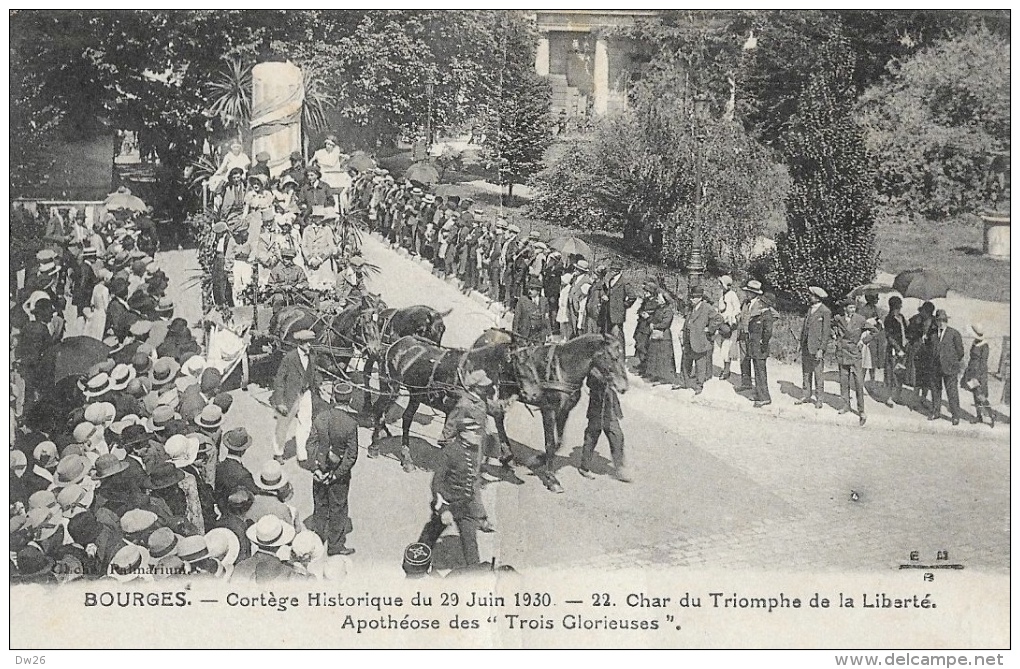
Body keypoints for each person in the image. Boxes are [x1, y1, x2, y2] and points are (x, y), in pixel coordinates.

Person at [416, 370, 494, 568]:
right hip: (449, 502)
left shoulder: (480, 403)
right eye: (484, 386)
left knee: (470, 543)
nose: (488, 388)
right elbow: (452, 425)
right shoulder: (464, 405)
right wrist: (443, 509)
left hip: (466, 502)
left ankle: (474, 572)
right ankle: (416, 562)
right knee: (430, 534)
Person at [306, 381, 359, 556]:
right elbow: (351, 456)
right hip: (338, 477)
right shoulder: (351, 424)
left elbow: (310, 444)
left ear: (333, 398)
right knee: (338, 508)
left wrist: (316, 468)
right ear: (349, 400)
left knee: (320, 505)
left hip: (319, 472)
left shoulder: (320, 417)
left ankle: (317, 542)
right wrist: (335, 475)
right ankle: (335, 547)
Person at [271, 330, 320, 463]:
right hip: (290, 395)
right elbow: (279, 380)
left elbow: (313, 372)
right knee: (283, 424)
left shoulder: (312, 356)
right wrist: (279, 402)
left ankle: (301, 453)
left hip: (306, 393)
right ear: (300, 343)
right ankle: (278, 452)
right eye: (307, 342)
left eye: (311, 342)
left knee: (306, 423)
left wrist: (316, 384)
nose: (310, 345)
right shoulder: (289, 358)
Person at [578, 365, 629, 483]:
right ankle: (584, 467)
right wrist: (605, 378)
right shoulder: (594, 366)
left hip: (610, 406)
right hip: (597, 405)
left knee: (617, 436)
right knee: (591, 437)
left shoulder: (611, 363)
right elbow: (589, 383)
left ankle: (619, 468)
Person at [833, 299, 872, 426]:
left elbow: (875, 330)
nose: (852, 310)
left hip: (855, 354)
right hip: (843, 352)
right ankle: (845, 405)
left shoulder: (860, 319)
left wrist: (863, 341)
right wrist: (835, 337)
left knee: (858, 382)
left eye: (854, 308)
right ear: (845, 309)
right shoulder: (839, 318)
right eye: (850, 308)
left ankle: (861, 411)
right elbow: (829, 325)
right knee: (844, 380)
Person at [678, 284, 722, 393]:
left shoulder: (707, 308)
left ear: (700, 298)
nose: (692, 299)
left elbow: (719, 319)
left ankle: (699, 385)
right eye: (691, 297)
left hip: (700, 339)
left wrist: (709, 329)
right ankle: (684, 382)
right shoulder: (690, 307)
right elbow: (687, 320)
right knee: (685, 361)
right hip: (688, 338)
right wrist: (683, 330)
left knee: (700, 363)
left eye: (694, 297)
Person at [796, 286, 831, 409]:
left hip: (816, 348)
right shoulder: (810, 309)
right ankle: (806, 395)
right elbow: (805, 328)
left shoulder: (825, 311)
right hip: (806, 346)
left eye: (811, 295)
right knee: (806, 372)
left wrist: (821, 349)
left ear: (817, 297)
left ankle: (819, 398)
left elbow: (826, 333)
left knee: (818, 373)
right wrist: (800, 344)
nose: (809, 297)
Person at [929, 309, 964, 425]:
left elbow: (960, 352)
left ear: (946, 321)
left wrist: (952, 362)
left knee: (952, 392)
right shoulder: (933, 334)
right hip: (935, 367)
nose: (941, 323)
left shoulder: (954, 333)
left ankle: (955, 416)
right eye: (938, 320)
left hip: (950, 368)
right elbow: (930, 348)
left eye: (943, 320)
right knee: (935, 390)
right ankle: (936, 412)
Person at [746, 288, 775, 408]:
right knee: (757, 372)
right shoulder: (761, 314)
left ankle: (765, 397)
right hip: (755, 347)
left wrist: (763, 345)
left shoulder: (767, 315)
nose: (760, 303)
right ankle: (759, 394)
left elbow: (767, 332)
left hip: (760, 348)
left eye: (762, 302)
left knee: (761, 373)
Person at [642, 285, 677, 385]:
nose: (657, 299)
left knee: (664, 358)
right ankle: (655, 375)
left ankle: (665, 377)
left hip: (664, 336)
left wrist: (655, 325)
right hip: (656, 334)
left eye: (659, 298)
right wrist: (649, 318)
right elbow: (653, 319)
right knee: (654, 356)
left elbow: (666, 323)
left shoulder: (668, 310)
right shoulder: (659, 308)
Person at [962, 323, 993, 428]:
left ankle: (990, 414)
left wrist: (978, 377)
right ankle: (978, 415)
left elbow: (983, 363)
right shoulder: (975, 342)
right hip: (971, 371)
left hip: (979, 373)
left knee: (980, 395)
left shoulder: (984, 346)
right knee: (975, 395)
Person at [883, 296, 909, 407]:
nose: (900, 308)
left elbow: (905, 331)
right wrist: (898, 349)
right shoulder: (888, 319)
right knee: (891, 374)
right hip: (893, 350)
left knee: (900, 373)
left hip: (903, 349)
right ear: (893, 306)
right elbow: (889, 336)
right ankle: (889, 397)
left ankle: (897, 396)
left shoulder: (901, 317)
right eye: (898, 306)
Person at [715, 275, 742, 381]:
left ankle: (726, 370)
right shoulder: (722, 295)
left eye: (721, 283)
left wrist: (730, 318)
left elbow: (737, 309)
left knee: (727, 348)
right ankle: (725, 368)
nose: (719, 285)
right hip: (721, 324)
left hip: (730, 325)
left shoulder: (732, 295)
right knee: (722, 347)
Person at [266, 247, 309, 312]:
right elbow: (270, 286)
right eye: (286, 259)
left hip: (296, 294)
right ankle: (277, 318)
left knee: (312, 296)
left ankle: (314, 317)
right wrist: (283, 287)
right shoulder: (275, 270)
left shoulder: (298, 269)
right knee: (278, 299)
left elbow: (305, 282)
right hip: (281, 294)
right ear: (282, 258)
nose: (288, 261)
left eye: (290, 259)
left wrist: (301, 285)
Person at [859, 292, 886, 382]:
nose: (877, 300)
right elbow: (861, 323)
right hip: (867, 335)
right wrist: (871, 321)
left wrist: (879, 321)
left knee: (872, 359)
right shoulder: (863, 310)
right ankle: (861, 382)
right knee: (865, 360)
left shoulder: (876, 309)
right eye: (875, 298)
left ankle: (872, 380)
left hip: (874, 335)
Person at [513, 280, 549, 345]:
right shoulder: (522, 300)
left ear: (538, 291)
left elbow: (546, 318)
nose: (529, 291)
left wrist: (549, 333)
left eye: (532, 289)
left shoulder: (544, 301)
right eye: (529, 288)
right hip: (525, 333)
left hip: (539, 334)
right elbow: (516, 317)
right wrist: (515, 333)